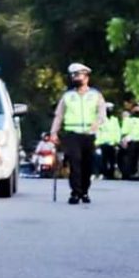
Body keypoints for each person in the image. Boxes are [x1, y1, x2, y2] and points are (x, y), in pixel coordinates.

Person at [50, 63, 106, 204]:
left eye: (78, 75)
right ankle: (75, 192)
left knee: (87, 164)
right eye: (73, 75)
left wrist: (96, 125)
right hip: (72, 134)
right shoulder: (67, 96)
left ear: (86, 77)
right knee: (75, 162)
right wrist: (54, 133)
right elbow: (59, 115)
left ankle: (85, 191)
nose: (75, 77)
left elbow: (101, 114)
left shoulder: (96, 95)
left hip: (89, 134)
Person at [95, 102, 121, 179]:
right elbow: (98, 131)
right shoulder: (100, 119)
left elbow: (117, 131)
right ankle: (104, 173)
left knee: (112, 160)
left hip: (112, 143)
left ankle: (111, 174)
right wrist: (97, 142)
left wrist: (117, 141)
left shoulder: (114, 120)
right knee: (104, 160)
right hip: (103, 142)